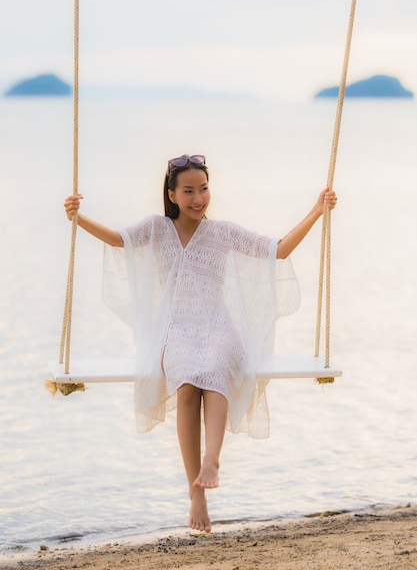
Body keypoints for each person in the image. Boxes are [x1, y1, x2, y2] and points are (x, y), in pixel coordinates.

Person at [64, 154, 337, 533]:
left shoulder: (222, 233)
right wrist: (77, 217)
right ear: (172, 194)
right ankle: (197, 493)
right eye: (189, 191)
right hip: (174, 330)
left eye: (204, 189)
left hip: (217, 325)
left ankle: (212, 461)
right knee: (188, 384)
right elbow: (116, 239)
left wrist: (316, 211)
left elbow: (278, 250)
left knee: (212, 368)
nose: (198, 198)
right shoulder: (156, 229)